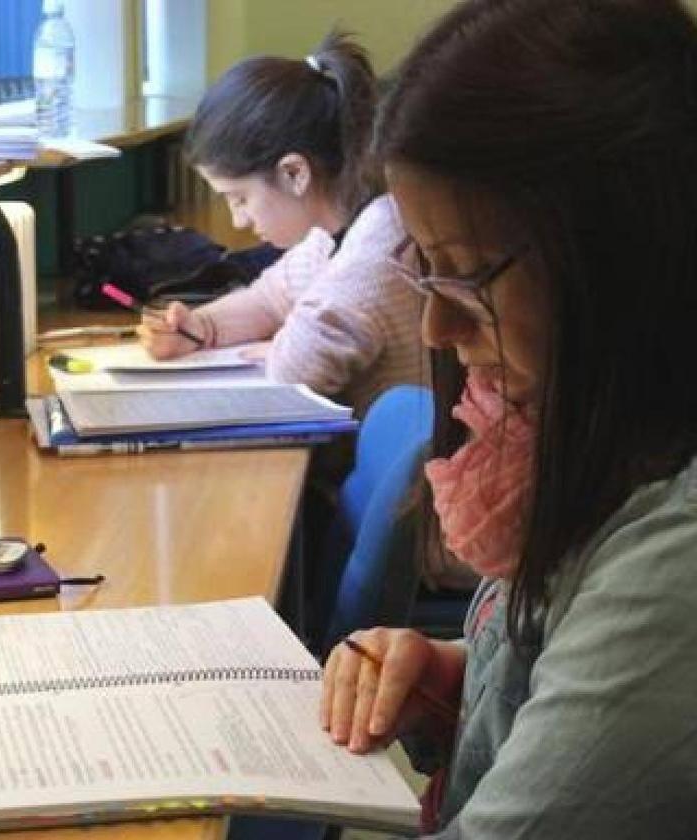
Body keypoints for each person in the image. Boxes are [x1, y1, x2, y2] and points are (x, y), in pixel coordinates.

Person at [320, 0, 697, 836]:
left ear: (625, 256)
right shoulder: (591, 439)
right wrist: (453, 678)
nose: (435, 330)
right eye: (429, 272)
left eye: (469, 277)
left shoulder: (675, 562)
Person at [136, 32, 424, 417]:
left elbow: (290, 376)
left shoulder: (375, 252)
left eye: (239, 198)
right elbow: (268, 299)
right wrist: (199, 327)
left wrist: (278, 349)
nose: (238, 221)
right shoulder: (338, 229)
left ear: (293, 173)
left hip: (373, 471)